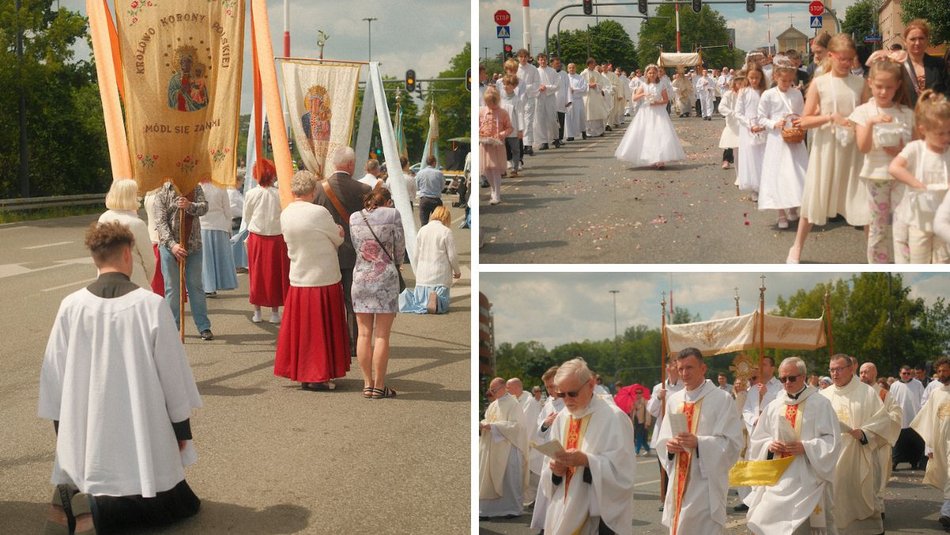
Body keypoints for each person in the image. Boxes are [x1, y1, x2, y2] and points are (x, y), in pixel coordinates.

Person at [39, 222, 201, 534]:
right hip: (142, 420)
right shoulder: (150, 305)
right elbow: (172, 376)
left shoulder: (70, 306)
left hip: (87, 427)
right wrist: (181, 428)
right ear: (128, 254)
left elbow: (54, 374)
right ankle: (97, 512)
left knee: (93, 473)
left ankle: (76, 505)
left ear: (94, 259)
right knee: (169, 502)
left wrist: (65, 433)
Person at [787, 33, 869, 264]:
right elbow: (804, 121)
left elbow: (866, 111)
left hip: (853, 149)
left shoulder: (860, 83)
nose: (846, 63)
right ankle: (796, 248)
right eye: (842, 58)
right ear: (831, 56)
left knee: (862, 199)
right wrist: (830, 117)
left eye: (850, 59)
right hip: (826, 148)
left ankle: (874, 255)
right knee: (815, 198)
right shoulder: (820, 83)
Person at [539, 358, 637, 535]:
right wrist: (555, 470)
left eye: (573, 393)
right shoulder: (562, 418)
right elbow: (550, 465)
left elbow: (623, 473)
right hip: (564, 506)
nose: (567, 400)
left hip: (598, 515)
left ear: (591, 385)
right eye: (561, 395)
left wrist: (586, 460)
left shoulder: (613, 418)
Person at [744, 357, 839, 535]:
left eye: (791, 378)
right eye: (783, 379)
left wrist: (806, 447)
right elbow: (758, 439)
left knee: (803, 527)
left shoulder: (820, 404)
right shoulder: (774, 406)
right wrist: (770, 446)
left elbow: (832, 440)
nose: (787, 383)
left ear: (803, 377)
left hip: (807, 477)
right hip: (779, 478)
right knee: (767, 520)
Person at [274, 171, 349, 392]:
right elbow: (336, 237)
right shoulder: (319, 212)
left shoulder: (286, 213)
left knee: (304, 331)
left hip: (299, 275)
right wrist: (339, 232)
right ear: (313, 191)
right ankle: (319, 374)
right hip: (322, 276)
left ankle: (304, 372)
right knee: (321, 330)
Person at [655, 348, 743, 535]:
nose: (684, 373)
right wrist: (670, 447)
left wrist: (700, 443)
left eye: (689, 368)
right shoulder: (674, 400)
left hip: (705, 482)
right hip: (679, 479)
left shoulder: (721, 399)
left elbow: (733, 443)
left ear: (703, 368)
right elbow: (663, 440)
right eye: (680, 369)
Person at [820, 354, 896, 534]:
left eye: (839, 369)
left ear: (851, 369)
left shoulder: (867, 392)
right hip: (833, 457)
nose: (835, 374)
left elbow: (882, 420)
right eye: (832, 370)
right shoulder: (823, 396)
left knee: (861, 498)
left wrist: (863, 433)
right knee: (834, 500)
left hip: (859, 454)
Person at [851, 56, 915, 263]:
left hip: (902, 177)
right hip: (876, 176)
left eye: (889, 87)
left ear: (897, 86)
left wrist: (900, 150)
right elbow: (863, 147)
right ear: (870, 83)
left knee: (904, 224)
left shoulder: (905, 113)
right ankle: (877, 265)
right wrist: (871, 123)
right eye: (879, 86)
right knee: (877, 227)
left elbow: (917, 148)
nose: (883, 92)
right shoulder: (863, 112)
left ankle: (905, 264)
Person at [313, 147, 371, 354]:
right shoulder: (363, 189)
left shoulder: (318, 189)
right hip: (354, 253)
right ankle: (355, 343)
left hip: (326, 252)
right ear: (350, 164)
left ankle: (332, 342)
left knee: (328, 300)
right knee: (352, 299)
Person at [350, 186, 405, 399]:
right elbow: (399, 247)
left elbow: (357, 246)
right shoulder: (393, 214)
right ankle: (379, 385)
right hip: (385, 277)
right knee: (382, 335)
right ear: (388, 201)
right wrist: (396, 263)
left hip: (361, 277)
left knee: (363, 333)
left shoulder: (355, 217)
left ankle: (367, 383)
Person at [888, 89, 950, 263]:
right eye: (940, 133)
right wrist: (917, 184)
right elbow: (894, 167)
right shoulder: (916, 149)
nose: (946, 137)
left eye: (949, 132)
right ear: (923, 130)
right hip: (919, 222)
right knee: (918, 261)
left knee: (943, 262)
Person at [153, 180, 213, 340]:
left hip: (193, 245)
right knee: (172, 289)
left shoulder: (195, 187)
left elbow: (204, 207)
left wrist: (189, 206)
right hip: (169, 248)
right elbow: (160, 222)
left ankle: (203, 326)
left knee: (196, 286)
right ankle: (174, 327)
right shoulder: (162, 192)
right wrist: (173, 246)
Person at [757, 58, 807, 229]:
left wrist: (798, 124)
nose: (786, 84)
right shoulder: (768, 95)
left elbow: (800, 113)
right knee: (778, 174)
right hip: (777, 140)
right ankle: (780, 213)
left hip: (794, 139)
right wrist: (773, 124)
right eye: (783, 80)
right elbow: (761, 118)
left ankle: (793, 207)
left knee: (794, 173)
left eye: (789, 81)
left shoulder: (796, 94)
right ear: (776, 77)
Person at [244, 159, 290, 324]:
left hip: (257, 236)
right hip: (277, 237)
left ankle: (257, 311)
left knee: (257, 274)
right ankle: (274, 312)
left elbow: (247, 216)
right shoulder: (279, 194)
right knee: (275, 274)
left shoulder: (251, 194)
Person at [615, 64, 685, 170]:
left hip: (659, 112)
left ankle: (660, 159)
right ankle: (651, 157)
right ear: (646, 74)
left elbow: (666, 99)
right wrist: (643, 95)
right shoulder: (643, 85)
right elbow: (634, 98)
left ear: (657, 74)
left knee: (660, 134)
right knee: (647, 134)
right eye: (650, 73)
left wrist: (657, 102)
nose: (652, 75)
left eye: (654, 73)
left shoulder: (661, 84)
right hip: (646, 111)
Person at [736, 356, 783, 512]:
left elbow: (781, 405)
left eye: (764, 364)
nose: (761, 367)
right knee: (752, 463)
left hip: (771, 434)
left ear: (773, 368)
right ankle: (752, 498)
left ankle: (768, 499)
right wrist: (754, 420)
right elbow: (747, 408)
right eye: (759, 364)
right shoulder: (754, 389)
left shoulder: (780, 386)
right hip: (755, 433)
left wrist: (767, 394)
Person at [909, 356, 950, 531]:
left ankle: (947, 512)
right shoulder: (936, 393)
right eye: (939, 371)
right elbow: (928, 420)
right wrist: (929, 445)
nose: (942, 374)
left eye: (945, 370)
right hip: (941, 441)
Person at [860, 361, 904, 517]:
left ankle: (878, 507)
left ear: (875, 373)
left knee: (878, 476)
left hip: (879, 442)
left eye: (866, 372)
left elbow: (896, 414)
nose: (863, 375)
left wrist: (881, 423)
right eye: (861, 372)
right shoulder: (857, 393)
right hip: (860, 442)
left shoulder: (884, 394)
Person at [479, 377, 527, 519]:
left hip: (509, 448)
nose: (492, 393)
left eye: (494, 390)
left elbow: (516, 426)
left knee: (509, 479)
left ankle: (512, 509)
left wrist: (493, 426)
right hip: (493, 447)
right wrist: (484, 424)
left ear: (503, 388)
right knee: (488, 478)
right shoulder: (494, 405)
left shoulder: (514, 404)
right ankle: (487, 510)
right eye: (491, 390)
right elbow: (487, 418)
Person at [398, 205, 460, 314]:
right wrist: (457, 271)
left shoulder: (423, 230)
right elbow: (452, 256)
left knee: (419, 302)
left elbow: (416, 254)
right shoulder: (446, 231)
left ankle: (412, 299)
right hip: (440, 276)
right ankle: (437, 300)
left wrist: (418, 270)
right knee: (444, 306)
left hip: (423, 276)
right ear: (446, 217)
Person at [98, 178, 154, 289]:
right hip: (134, 280)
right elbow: (150, 261)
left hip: (106, 281)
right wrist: (146, 281)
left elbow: (98, 252)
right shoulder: (137, 224)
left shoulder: (103, 218)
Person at [529, 366, 564, 532]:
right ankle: (545, 526)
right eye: (548, 387)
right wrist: (546, 423)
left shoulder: (568, 401)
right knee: (546, 492)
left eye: (552, 386)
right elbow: (539, 429)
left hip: (563, 456)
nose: (550, 390)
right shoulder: (549, 403)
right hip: (548, 455)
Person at [648, 360, 684, 512]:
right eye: (669, 367)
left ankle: (680, 497)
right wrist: (658, 398)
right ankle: (666, 499)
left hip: (679, 431)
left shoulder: (684, 386)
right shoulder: (659, 387)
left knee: (679, 468)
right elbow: (651, 411)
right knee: (664, 468)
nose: (671, 369)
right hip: (663, 433)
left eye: (675, 366)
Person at [197, 178, 237, 297]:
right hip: (219, 224)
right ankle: (218, 284)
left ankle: (208, 286)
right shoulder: (220, 186)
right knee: (219, 258)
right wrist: (228, 228)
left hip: (203, 225)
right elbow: (227, 210)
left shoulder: (197, 186)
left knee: (206, 259)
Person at [736, 63, 768, 204]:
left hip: (763, 127)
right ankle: (755, 187)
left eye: (757, 78)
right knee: (751, 157)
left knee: (764, 155)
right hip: (748, 128)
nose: (754, 81)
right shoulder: (743, 92)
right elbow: (738, 112)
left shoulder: (765, 92)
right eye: (752, 78)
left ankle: (765, 185)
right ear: (747, 77)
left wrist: (763, 123)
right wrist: (749, 124)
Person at [508, 377, 542, 507]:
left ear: (517, 387)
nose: (507, 390)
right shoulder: (515, 400)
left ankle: (535, 498)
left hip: (529, 442)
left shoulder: (529, 401)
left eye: (509, 388)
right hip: (520, 441)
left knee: (533, 471)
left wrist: (522, 444)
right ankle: (529, 499)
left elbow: (528, 424)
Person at [901, 19, 950, 106]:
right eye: (912, 39)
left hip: (934, 116)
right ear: (905, 42)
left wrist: (939, 98)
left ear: (927, 40)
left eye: (921, 38)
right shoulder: (898, 66)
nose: (917, 43)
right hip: (907, 116)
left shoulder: (939, 64)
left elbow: (948, 91)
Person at [479, 86, 512, 206]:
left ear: (496, 101)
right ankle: (493, 189)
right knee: (487, 170)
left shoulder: (503, 112)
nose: (490, 106)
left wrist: (501, 134)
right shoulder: (481, 111)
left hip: (497, 145)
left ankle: (497, 194)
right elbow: (478, 126)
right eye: (488, 103)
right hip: (485, 144)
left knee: (495, 169)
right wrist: (480, 133)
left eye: (492, 103)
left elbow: (509, 128)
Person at [889, 364, 925, 469]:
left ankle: (915, 462)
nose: (906, 375)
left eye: (908, 373)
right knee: (898, 442)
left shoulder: (918, 384)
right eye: (904, 373)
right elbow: (891, 401)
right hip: (900, 418)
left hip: (914, 417)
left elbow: (923, 400)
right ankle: (895, 462)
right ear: (900, 373)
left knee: (914, 442)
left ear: (911, 374)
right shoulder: (894, 386)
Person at [516, 49, 541, 155]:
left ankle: (528, 145)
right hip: (517, 98)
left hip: (529, 97)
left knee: (528, 121)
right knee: (518, 121)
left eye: (525, 57)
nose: (523, 59)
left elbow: (537, 83)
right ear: (518, 58)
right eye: (521, 57)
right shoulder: (515, 68)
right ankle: (519, 144)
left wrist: (526, 87)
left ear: (528, 57)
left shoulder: (533, 69)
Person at [499, 74, 524, 178]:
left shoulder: (517, 100)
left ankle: (515, 168)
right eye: (504, 84)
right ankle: (503, 169)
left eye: (508, 84)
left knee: (515, 149)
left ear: (514, 86)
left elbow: (520, 114)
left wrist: (520, 130)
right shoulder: (500, 98)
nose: (505, 86)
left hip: (513, 129)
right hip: (502, 130)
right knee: (502, 150)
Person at [717, 73, 743, 170]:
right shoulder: (729, 94)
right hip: (733, 123)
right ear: (735, 84)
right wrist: (732, 113)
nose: (741, 86)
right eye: (739, 83)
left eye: (743, 83)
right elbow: (721, 107)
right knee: (730, 142)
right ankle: (726, 160)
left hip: (744, 123)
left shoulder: (746, 94)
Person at [535, 53, 559, 151]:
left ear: (547, 60)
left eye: (544, 59)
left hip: (550, 97)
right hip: (539, 97)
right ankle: (544, 141)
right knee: (540, 120)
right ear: (538, 61)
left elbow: (557, 85)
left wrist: (547, 87)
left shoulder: (552, 71)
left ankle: (556, 138)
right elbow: (532, 85)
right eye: (541, 60)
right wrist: (538, 88)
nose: (543, 61)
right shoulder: (535, 72)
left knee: (552, 119)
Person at [581, 58, 610, 138]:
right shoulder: (583, 73)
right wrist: (588, 85)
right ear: (589, 64)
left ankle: (600, 131)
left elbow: (601, 83)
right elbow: (581, 85)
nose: (595, 65)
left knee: (598, 113)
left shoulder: (597, 73)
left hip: (596, 96)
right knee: (589, 114)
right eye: (593, 63)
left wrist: (596, 85)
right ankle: (589, 132)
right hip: (588, 96)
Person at [143, 187, 165, 295]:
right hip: (157, 237)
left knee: (156, 275)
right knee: (158, 275)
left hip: (153, 236)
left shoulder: (148, 193)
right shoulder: (158, 192)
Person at [414, 155, 444, 227]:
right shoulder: (439, 173)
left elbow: (417, 186)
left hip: (424, 199)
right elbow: (442, 186)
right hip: (436, 200)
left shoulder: (420, 173)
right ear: (434, 163)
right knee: (437, 223)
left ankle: (424, 236)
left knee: (424, 223)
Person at [227, 172, 248, 273]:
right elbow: (233, 208)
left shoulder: (235, 192)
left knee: (239, 243)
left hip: (240, 219)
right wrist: (244, 213)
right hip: (236, 220)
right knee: (236, 243)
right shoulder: (232, 192)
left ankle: (239, 263)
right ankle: (236, 264)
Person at [565, 62, 588, 141]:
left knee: (580, 117)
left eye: (573, 67)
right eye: (570, 68)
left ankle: (583, 131)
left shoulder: (580, 77)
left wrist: (574, 90)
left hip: (578, 100)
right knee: (569, 119)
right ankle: (570, 135)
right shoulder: (565, 77)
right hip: (568, 101)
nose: (571, 69)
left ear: (575, 68)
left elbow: (584, 88)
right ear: (567, 69)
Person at [552, 56, 570, 146]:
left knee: (561, 120)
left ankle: (560, 138)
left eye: (559, 63)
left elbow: (568, 87)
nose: (558, 65)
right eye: (556, 63)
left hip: (561, 100)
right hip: (551, 100)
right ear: (552, 64)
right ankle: (553, 138)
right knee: (553, 120)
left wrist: (568, 100)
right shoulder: (550, 72)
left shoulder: (564, 74)